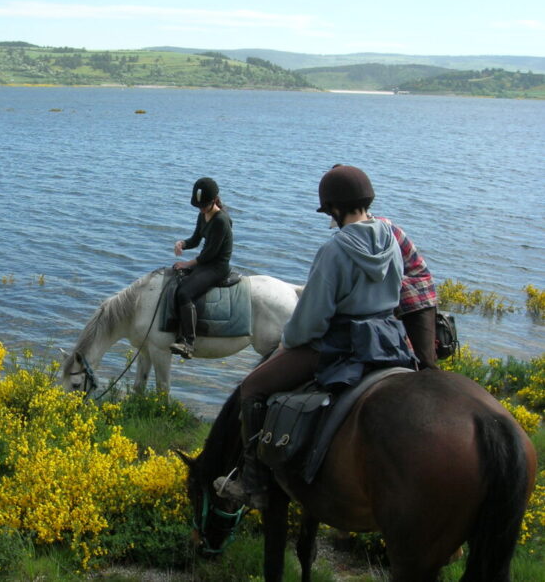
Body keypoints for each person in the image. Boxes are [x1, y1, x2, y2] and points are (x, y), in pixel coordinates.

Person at [216, 165, 416, 509]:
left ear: (335, 209)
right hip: (388, 341)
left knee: (252, 387)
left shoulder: (335, 250)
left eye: (329, 211)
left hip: (340, 344)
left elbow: (310, 322)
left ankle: (253, 484)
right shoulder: (393, 239)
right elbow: (397, 292)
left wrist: (287, 340)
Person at [169, 177, 233, 359]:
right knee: (176, 279)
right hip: (205, 263)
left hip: (217, 267)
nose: (201, 209)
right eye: (199, 206)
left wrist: (187, 264)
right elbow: (196, 239)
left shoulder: (221, 221)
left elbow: (209, 254)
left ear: (214, 201)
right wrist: (182, 243)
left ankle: (188, 343)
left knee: (184, 293)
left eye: (204, 206)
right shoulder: (203, 215)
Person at [371, 214, 438, 368]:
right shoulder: (370, 229)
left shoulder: (380, 231)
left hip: (417, 294)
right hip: (394, 291)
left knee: (425, 361)